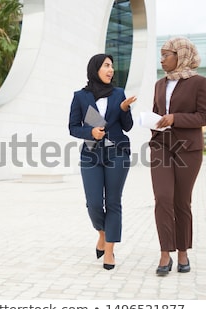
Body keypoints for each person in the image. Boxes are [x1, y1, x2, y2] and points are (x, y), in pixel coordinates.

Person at [149, 37, 206, 276]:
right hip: (161, 147)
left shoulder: (199, 83)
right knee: (163, 198)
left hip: (189, 149)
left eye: (166, 54)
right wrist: (152, 121)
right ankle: (165, 253)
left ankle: (183, 251)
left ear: (181, 56)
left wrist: (176, 118)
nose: (162, 59)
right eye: (162, 55)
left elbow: (205, 116)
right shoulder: (159, 84)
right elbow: (157, 112)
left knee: (181, 201)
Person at [69, 53, 136, 270]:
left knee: (114, 202)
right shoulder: (81, 96)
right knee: (94, 203)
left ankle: (109, 251)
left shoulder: (119, 94)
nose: (111, 70)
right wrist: (90, 131)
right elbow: (73, 127)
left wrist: (125, 109)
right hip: (91, 154)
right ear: (95, 68)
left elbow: (127, 126)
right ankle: (102, 233)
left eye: (112, 66)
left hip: (118, 152)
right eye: (106, 66)